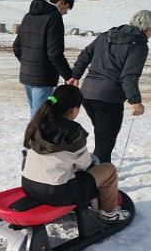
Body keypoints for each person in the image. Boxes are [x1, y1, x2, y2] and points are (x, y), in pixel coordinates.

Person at [21, 85, 130, 222]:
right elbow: (85, 164)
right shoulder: (73, 131)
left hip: (29, 186)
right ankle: (109, 213)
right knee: (108, 170)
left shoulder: (36, 123)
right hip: (57, 193)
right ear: (74, 109)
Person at [68, 10, 151, 163]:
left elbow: (85, 55)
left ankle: (97, 171)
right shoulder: (139, 44)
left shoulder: (107, 35)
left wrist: (75, 76)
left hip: (88, 94)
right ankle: (99, 179)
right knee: (105, 143)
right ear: (146, 28)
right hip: (109, 98)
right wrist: (134, 100)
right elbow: (129, 75)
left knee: (102, 136)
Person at [13, 0, 75, 118]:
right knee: (40, 117)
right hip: (43, 77)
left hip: (27, 74)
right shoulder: (54, 17)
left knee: (35, 114)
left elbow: (16, 47)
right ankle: (35, 139)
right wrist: (68, 76)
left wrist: (28, 64)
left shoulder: (28, 16)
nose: (66, 13)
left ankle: (32, 138)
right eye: (67, 8)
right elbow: (54, 53)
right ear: (62, 2)